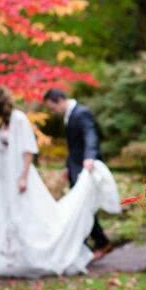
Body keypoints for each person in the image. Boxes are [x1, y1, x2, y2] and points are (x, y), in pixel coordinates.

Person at [0, 86, 121, 278]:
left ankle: (91, 244)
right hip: (7, 178)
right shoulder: (5, 123)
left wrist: (23, 177)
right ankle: (13, 255)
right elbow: (10, 148)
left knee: (30, 216)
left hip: (21, 177)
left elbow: (28, 149)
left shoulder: (20, 119)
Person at [43, 89, 111, 258]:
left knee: (84, 205)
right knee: (81, 206)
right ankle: (89, 244)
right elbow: (73, 146)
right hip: (75, 168)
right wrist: (68, 166)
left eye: (52, 107)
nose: (53, 112)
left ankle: (100, 242)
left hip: (85, 168)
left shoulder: (81, 113)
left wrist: (89, 157)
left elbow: (90, 136)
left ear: (59, 99)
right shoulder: (70, 115)